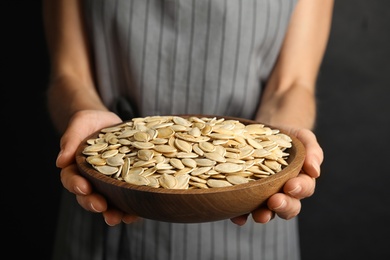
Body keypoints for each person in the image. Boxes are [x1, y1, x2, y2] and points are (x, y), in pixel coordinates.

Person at [43, 0, 332, 259]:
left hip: (252, 206)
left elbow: (291, 85)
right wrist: (83, 116)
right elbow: (69, 73)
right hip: (108, 195)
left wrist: (276, 143)